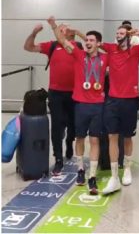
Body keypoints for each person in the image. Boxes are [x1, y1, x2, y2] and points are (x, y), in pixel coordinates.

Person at [48, 17, 108, 195]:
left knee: (95, 140)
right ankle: (81, 170)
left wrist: (84, 35)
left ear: (98, 43)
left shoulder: (105, 58)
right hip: (81, 105)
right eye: (86, 40)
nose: (88, 43)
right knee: (80, 138)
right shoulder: (78, 54)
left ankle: (92, 176)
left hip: (98, 105)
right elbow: (62, 39)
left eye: (92, 40)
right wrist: (53, 26)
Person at [101, 24, 139, 195]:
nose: (118, 35)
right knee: (112, 136)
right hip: (112, 101)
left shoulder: (136, 51)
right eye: (116, 32)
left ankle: (127, 169)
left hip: (130, 101)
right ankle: (114, 177)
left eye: (121, 33)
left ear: (128, 36)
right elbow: (93, 43)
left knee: (127, 137)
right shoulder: (111, 49)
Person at [23, 22, 78, 175]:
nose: (64, 30)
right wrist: (34, 33)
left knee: (74, 126)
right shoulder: (52, 46)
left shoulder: (79, 45)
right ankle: (58, 158)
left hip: (76, 94)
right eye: (61, 28)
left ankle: (69, 141)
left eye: (66, 28)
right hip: (56, 93)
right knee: (57, 126)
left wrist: (79, 32)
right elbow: (28, 47)